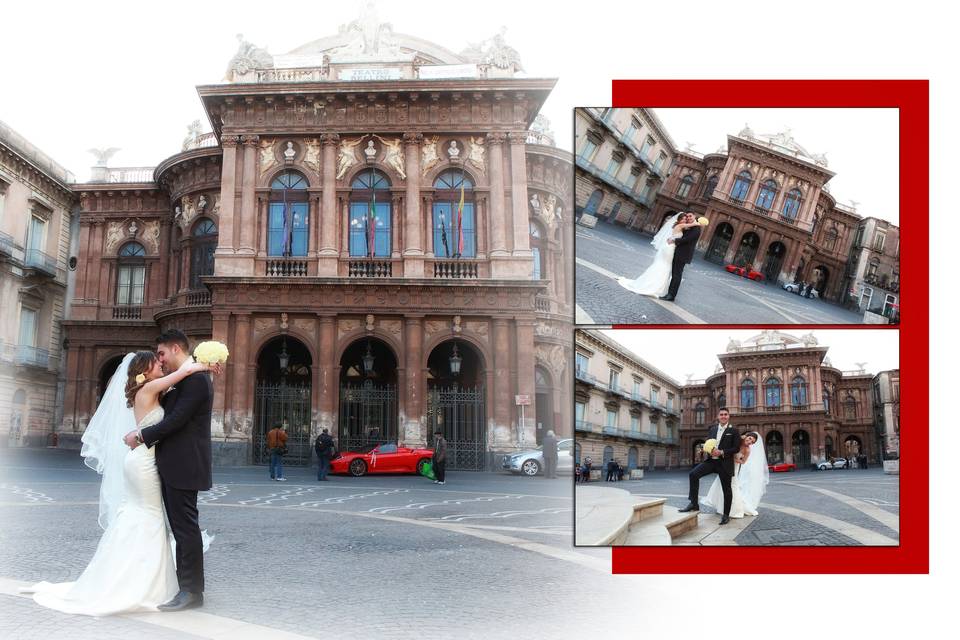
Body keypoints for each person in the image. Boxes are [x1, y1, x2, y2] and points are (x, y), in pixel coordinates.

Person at [25, 348, 213, 615]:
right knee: (149, 518)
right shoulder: (148, 390)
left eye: (161, 358)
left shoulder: (151, 391)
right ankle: (138, 582)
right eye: (155, 362)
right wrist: (203, 365)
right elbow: (183, 373)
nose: (161, 364)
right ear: (144, 371)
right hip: (144, 464)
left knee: (144, 517)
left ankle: (142, 579)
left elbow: (176, 390)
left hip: (143, 461)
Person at [617, 212, 704, 299]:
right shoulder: (687, 226)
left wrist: (674, 240)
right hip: (673, 251)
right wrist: (674, 239)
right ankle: (667, 292)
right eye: (685, 217)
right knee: (670, 271)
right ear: (679, 220)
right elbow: (682, 235)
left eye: (690, 216)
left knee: (676, 274)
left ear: (694, 216)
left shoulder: (696, 228)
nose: (687, 218)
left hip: (682, 254)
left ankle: (671, 295)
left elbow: (687, 239)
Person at [679, 408, 740, 525]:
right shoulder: (713, 429)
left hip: (724, 463)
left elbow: (736, 448)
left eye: (725, 414)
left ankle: (726, 515)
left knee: (726, 489)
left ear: (728, 416)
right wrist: (702, 449)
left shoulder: (734, 431)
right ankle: (694, 504)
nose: (723, 416)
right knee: (693, 474)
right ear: (718, 416)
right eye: (721, 414)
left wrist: (722, 452)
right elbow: (708, 443)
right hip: (711, 461)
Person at [703, 432, 769, 518]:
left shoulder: (747, 450)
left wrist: (734, 460)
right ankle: (722, 507)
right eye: (749, 438)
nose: (749, 442)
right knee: (720, 484)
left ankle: (735, 510)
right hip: (724, 465)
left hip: (734, 467)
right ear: (746, 436)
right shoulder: (737, 441)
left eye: (752, 442)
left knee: (732, 486)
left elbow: (743, 462)